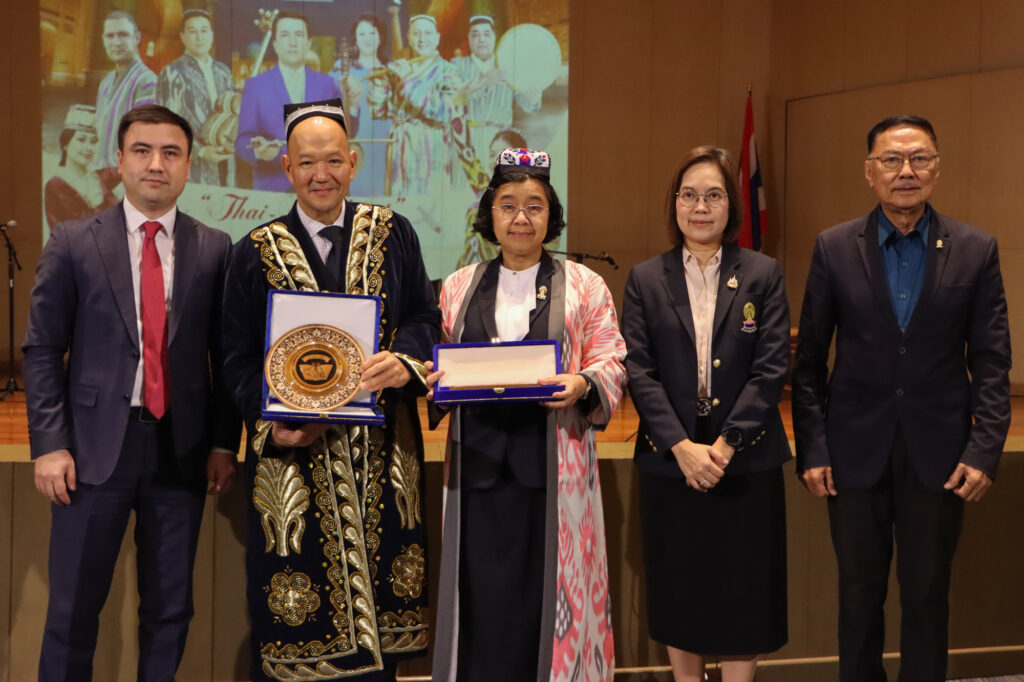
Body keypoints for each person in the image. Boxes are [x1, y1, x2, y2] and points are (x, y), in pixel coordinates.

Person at [221, 99, 439, 681]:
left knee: (383, 654)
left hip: (384, 449)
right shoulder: (254, 252)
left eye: (335, 161)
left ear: (354, 161)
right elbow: (236, 359)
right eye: (308, 162)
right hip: (294, 464)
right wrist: (272, 423)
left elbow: (423, 314)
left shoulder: (394, 233)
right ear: (286, 167)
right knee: (301, 633)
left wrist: (404, 360)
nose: (323, 174)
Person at [24, 104, 240, 682]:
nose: (155, 164)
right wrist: (49, 443)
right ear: (118, 161)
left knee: (170, 610)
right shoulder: (72, 241)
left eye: (170, 153)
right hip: (90, 456)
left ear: (189, 166)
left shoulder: (216, 247)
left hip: (181, 453)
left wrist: (224, 442)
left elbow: (227, 357)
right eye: (142, 150)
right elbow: (43, 350)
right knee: (72, 611)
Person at [792, 114, 1011, 681]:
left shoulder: (975, 249)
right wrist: (812, 448)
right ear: (869, 172)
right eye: (891, 159)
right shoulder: (834, 248)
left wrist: (984, 449)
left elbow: (991, 362)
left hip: (940, 455)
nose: (906, 171)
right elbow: (810, 362)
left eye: (919, 159)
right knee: (858, 598)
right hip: (852, 454)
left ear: (937, 169)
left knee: (928, 597)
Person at [427, 148, 625, 682]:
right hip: (477, 473)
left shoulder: (586, 286)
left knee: (544, 599)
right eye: (508, 204)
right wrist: (433, 382)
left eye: (534, 206)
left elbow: (613, 357)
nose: (520, 217)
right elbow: (437, 360)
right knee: (480, 598)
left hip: (554, 471)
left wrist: (585, 381)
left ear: (551, 216)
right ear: (489, 214)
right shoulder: (456, 286)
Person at [621, 146, 791, 682]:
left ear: (730, 206)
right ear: (674, 204)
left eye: (713, 195)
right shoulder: (646, 278)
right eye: (689, 195)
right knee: (680, 586)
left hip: (744, 459)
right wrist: (681, 445)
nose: (701, 206)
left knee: (745, 588)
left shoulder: (763, 273)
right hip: (672, 460)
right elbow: (638, 371)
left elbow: (771, 368)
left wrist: (725, 444)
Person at [235, 12, 341, 192]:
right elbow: (242, 140)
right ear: (275, 44)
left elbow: (340, 135)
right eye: (285, 35)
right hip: (271, 190)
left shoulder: (327, 84)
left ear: (309, 42)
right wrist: (257, 152)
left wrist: (352, 107)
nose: (293, 42)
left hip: (320, 187)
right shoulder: (256, 86)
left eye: (299, 35)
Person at [383, 14, 465, 196]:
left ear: (437, 38)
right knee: (397, 209)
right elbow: (382, 111)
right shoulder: (400, 68)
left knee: (429, 208)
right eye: (416, 34)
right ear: (409, 38)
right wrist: (379, 88)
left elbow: (446, 111)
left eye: (427, 33)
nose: (422, 39)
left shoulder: (449, 70)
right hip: (400, 147)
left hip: (431, 146)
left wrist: (409, 81)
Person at [451, 16, 541, 169]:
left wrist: (533, 100)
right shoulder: (457, 65)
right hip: (467, 142)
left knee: (499, 188)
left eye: (486, 34)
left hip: (502, 141)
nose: (481, 39)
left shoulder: (508, 65)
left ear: (494, 37)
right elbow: (452, 99)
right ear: (469, 38)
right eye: (475, 34)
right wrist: (484, 84)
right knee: (468, 189)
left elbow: (526, 104)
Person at [157, 9, 235, 186]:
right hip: (190, 164)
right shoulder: (171, 73)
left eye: (204, 30)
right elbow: (167, 126)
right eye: (192, 31)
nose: (199, 37)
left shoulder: (223, 72)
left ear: (212, 35)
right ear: (183, 37)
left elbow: (232, 116)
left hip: (226, 160)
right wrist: (201, 152)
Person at [329, 12, 393, 198]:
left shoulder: (390, 69)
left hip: (384, 141)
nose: (367, 39)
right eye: (362, 34)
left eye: (372, 33)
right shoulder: (342, 67)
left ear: (380, 37)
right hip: (354, 138)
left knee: (383, 191)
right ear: (355, 39)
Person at [95, 11, 157, 168]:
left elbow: (147, 141)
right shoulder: (106, 83)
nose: (116, 42)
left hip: (124, 179)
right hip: (99, 175)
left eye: (123, 35)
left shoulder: (147, 81)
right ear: (103, 40)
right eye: (110, 36)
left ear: (137, 38)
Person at [44, 104, 121, 230]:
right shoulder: (57, 185)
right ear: (65, 143)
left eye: (93, 141)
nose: (88, 147)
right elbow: (87, 226)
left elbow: (129, 170)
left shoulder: (99, 177)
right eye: (81, 140)